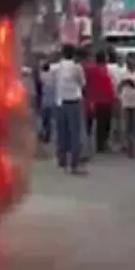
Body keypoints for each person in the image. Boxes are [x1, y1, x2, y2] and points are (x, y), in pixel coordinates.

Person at [51, 44, 87, 175]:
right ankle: (74, 164)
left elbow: (49, 77)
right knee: (74, 134)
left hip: (60, 102)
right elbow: (83, 83)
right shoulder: (77, 67)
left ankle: (62, 161)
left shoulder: (57, 67)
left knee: (62, 132)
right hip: (74, 101)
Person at [83, 50, 116, 157]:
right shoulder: (103, 69)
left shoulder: (92, 69)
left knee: (98, 123)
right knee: (104, 123)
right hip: (102, 99)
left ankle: (95, 145)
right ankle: (100, 144)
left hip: (96, 99)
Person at [37, 57, 58, 145]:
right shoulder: (52, 77)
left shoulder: (42, 76)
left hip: (45, 102)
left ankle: (43, 134)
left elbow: (39, 86)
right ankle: (47, 135)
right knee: (49, 120)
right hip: (52, 102)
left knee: (44, 120)